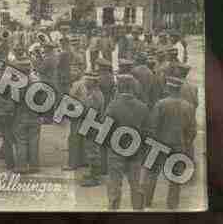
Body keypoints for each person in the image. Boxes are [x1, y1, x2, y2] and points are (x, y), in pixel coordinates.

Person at [142, 77, 197, 209]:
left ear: (169, 88)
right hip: (178, 145)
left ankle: (147, 202)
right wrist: (185, 142)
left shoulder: (160, 104)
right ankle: (172, 205)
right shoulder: (188, 107)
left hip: (159, 143)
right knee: (175, 177)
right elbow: (192, 130)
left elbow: (152, 126)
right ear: (179, 89)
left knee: (151, 174)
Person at [104, 74, 149, 210]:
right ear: (133, 88)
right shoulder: (143, 107)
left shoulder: (113, 106)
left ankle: (113, 211)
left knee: (114, 185)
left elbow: (105, 132)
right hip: (135, 152)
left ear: (119, 87)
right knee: (136, 185)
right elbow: (149, 132)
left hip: (116, 152)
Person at [12, 58, 41, 174]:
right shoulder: (37, 82)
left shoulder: (16, 83)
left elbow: (14, 101)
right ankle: (34, 166)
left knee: (21, 141)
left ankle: (21, 166)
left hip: (21, 115)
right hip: (35, 115)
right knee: (34, 141)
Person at [80, 71, 105, 187]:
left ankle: (95, 178)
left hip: (93, 125)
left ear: (92, 82)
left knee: (93, 152)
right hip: (90, 124)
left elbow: (90, 110)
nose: (85, 82)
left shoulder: (95, 95)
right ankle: (92, 174)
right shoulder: (92, 92)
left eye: (87, 80)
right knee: (90, 151)